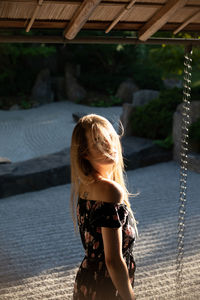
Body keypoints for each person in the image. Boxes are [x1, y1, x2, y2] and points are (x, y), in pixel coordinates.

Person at [70, 114, 138, 300]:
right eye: (98, 141)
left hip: (88, 280)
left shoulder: (85, 185)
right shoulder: (109, 190)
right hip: (105, 286)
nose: (109, 145)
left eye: (109, 137)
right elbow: (113, 260)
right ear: (84, 152)